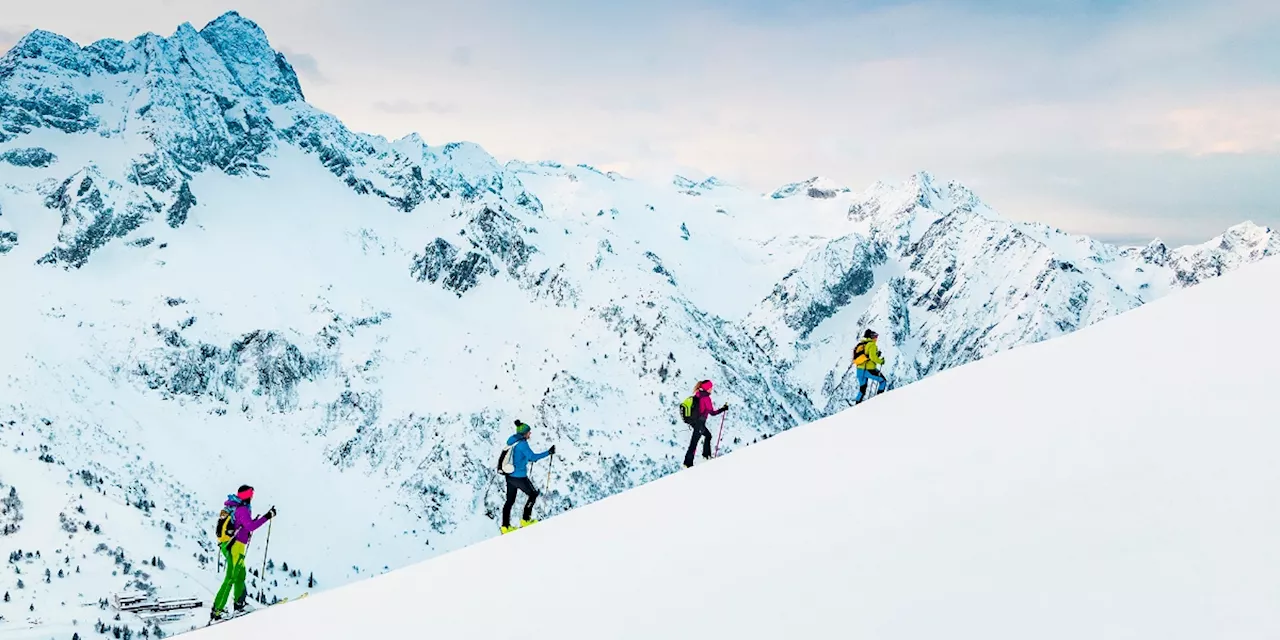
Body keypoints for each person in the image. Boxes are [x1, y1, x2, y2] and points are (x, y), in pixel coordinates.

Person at [211, 485, 275, 621]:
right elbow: (251, 526)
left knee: (240, 575)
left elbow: (243, 525)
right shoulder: (242, 509)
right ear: (247, 496)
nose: (252, 496)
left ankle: (239, 604)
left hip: (230, 544)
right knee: (231, 577)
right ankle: (217, 611)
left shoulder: (234, 507)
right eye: (251, 494)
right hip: (236, 546)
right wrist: (267, 517)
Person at [501, 420, 555, 534]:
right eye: (529, 432)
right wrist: (548, 452)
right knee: (533, 494)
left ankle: (505, 527)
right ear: (524, 433)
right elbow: (533, 457)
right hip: (519, 477)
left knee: (509, 501)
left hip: (509, 476)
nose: (530, 434)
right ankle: (526, 519)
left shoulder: (512, 441)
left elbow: (523, 457)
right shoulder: (522, 444)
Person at [682, 380, 728, 468]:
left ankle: (706, 455)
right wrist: (723, 409)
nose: (712, 389)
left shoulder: (698, 394)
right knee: (694, 444)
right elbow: (712, 413)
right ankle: (688, 464)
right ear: (707, 388)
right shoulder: (706, 398)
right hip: (700, 423)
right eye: (710, 387)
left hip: (696, 422)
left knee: (708, 436)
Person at [852, 329, 888, 404]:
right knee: (883, 381)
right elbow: (872, 357)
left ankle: (857, 405)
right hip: (868, 369)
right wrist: (881, 361)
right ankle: (879, 400)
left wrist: (876, 354)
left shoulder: (863, 344)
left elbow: (867, 355)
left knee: (862, 389)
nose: (876, 338)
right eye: (875, 336)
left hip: (859, 370)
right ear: (871, 337)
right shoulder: (872, 345)